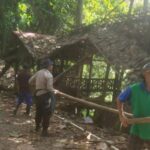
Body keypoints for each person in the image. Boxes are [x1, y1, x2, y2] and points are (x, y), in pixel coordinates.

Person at [117, 63, 150, 150]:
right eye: (149, 73)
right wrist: (121, 115)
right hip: (137, 127)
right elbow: (120, 99)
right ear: (144, 74)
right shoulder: (134, 89)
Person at [29, 58, 56, 137]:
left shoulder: (38, 72)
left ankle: (37, 127)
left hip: (37, 95)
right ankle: (44, 131)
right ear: (48, 66)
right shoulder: (49, 75)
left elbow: (30, 81)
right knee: (46, 113)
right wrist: (55, 91)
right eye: (51, 65)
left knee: (38, 111)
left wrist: (37, 85)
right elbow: (49, 88)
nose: (52, 66)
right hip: (45, 96)